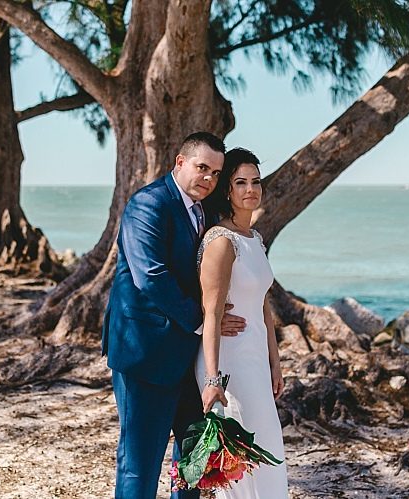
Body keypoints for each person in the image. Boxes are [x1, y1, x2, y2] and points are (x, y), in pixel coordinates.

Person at [104, 132, 245, 499]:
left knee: (193, 461)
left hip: (193, 358)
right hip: (146, 353)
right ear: (180, 163)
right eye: (202, 168)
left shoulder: (206, 211)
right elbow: (151, 276)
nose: (209, 179)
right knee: (141, 464)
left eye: (216, 173)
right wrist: (204, 321)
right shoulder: (147, 205)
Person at [194, 147, 288, 498]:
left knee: (268, 451)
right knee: (242, 461)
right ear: (228, 190)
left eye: (256, 181)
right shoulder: (221, 241)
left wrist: (275, 364)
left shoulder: (255, 239)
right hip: (229, 362)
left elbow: (263, 306)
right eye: (241, 182)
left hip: (255, 362)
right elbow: (213, 314)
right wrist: (212, 379)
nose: (251, 189)